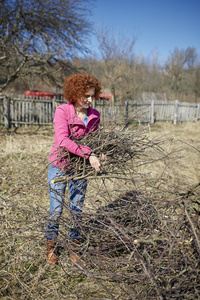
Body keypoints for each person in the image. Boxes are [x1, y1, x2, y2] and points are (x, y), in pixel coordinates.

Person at [45, 73, 105, 265]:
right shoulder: (63, 111)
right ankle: (51, 246)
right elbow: (63, 140)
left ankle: (74, 244)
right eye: (85, 95)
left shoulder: (95, 115)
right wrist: (89, 154)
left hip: (80, 169)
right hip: (60, 166)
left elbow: (94, 142)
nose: (89, 100)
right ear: (75, 93)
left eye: (92, 96)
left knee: (76, 209)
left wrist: (100, 153)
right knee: (56, 209)